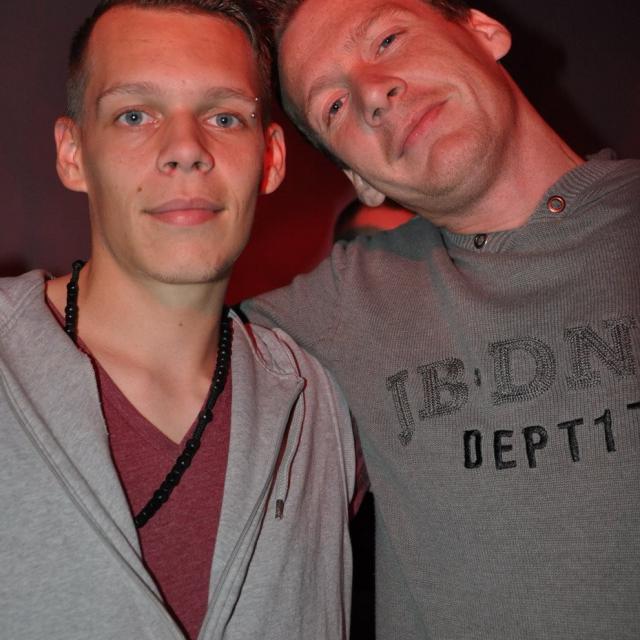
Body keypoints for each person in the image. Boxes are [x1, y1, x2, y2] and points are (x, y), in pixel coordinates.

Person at [243, 0, 640, 637]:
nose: (373, 94)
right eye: (334, 105)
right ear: (360, 179)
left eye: (387, 39)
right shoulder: (338, 306)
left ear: (484, 31)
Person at [0, 2, 355, 639]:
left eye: (224, 117)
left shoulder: (325, 404)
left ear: (271, 159)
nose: (187, 150)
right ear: (74, 153)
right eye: (135, 115)